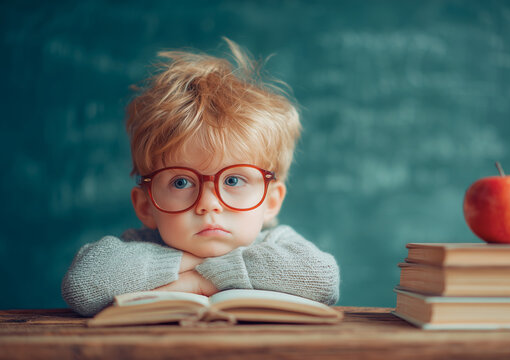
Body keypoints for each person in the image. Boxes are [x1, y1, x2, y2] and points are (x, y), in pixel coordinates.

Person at [61, 39, 340, 317]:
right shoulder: (137, 246)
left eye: (233, 180)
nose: (208, 204)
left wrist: (199, 279)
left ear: (270, 200)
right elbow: (82, 287)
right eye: (181, 182)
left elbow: (323, 281)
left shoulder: (279, 243)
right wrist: (191, 261)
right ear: (146, 205)